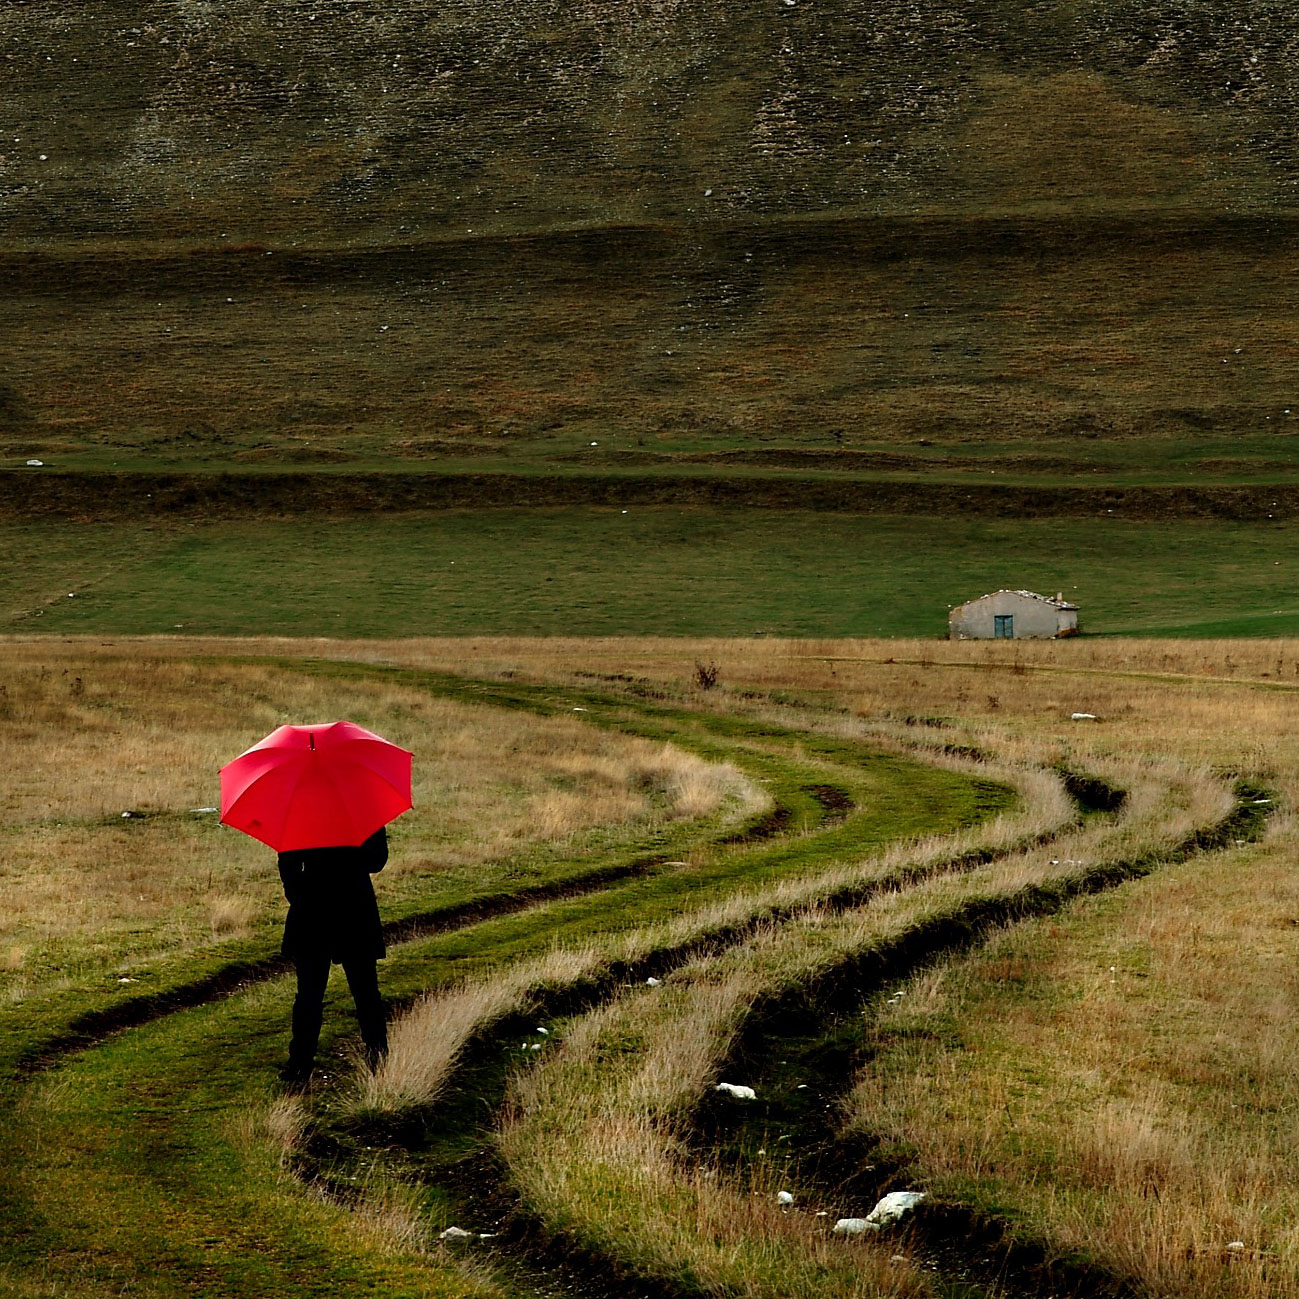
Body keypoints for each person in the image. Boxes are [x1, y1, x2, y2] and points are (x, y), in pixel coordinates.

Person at [276, 825, 390, 1087]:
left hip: (314, 910)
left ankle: (300, 1066)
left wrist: (298, 894)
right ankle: (377, 1058)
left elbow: (288, 861)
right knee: (364, 992)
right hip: (353, 907)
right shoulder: (361, 804)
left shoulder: (301, 810)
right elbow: (376, 860)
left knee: (311, 995)